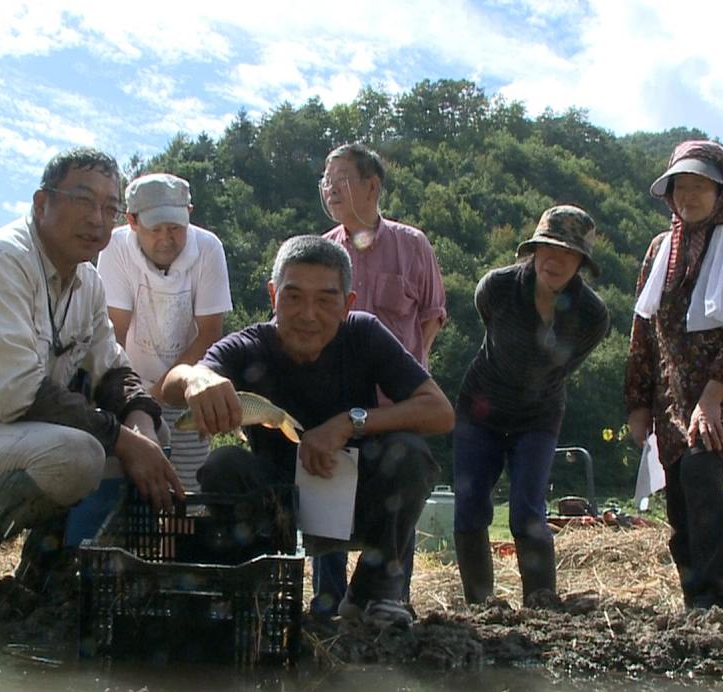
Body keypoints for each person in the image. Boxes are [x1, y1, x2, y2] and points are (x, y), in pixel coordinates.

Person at [0, 147, 182, 593]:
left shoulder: (88, 282)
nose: (97, 218)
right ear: (41, 204)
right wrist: (124, 441)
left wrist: (140, 425)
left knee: (151, 439)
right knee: (81, 453)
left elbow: (112, 368)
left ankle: (46, 567)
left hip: (13, 442)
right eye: (83, 200)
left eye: (110, 208)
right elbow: (17, 392)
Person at [162, 235, 455, 629]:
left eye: (326, 300)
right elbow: (172, 384)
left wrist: (348, 423)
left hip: (357, 496)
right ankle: (256, 591)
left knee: (410, 453)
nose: (308, 314)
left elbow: (440, 411)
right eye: (294, 297)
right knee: (224, 463)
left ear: (348, 304)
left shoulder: (364, 334)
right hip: (279, 504)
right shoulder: (251, 344)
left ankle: (374, 592)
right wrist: (196, 378)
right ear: (273, 295)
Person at [624, 139, 723, 610]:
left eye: (698, 187)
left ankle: (719, 594)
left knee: (701, 471)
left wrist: (713, 396)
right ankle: (695, 597)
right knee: (677, 491)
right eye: (679, 188)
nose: (687, 198)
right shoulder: (660, 250)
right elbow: (644, 329)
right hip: (672, 393)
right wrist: (638, 403)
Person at [452, 205, 610, 606]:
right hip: (480, 409)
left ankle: (542, 606)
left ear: (581, 263)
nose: (555, 260)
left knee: (527, 511)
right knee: (470, 506)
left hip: (538, 415)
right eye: (548, 248)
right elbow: (488, 322)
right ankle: (481, 606)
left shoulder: (592, 315)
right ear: (533, 250)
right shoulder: (497, 287)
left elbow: (564, 367)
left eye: (569, 253)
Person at [316, 142, 447, 614]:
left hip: (396, 406)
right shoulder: (324, 252)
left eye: (341, 178)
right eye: (325, 180)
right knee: (327, 495)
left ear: (372, 186)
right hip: (336, 402)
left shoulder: (413, 245)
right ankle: (328, 603)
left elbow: (431, 315)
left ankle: (388, 599)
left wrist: (411, 375)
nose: (330, 188)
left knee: (401, 493)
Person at [97, 173, 232, 493]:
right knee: (127, 487)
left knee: (183, 492)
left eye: (175, 228)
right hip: (126, 385)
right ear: (132, 221)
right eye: (155, 229)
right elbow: (113, 333)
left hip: (188, 389)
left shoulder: (209, 248)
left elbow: (209, 334)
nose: (167, 239)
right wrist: (137, 406)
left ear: (190, 213)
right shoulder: (114, 248)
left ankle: (178, 544)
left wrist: (157, 399)